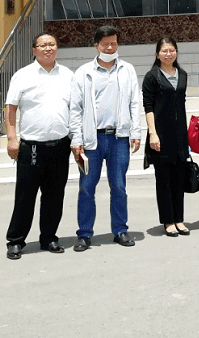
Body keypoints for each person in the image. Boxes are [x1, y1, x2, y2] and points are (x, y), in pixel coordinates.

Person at [69, 25, 143, 250]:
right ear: (96, 45)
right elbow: (76, 108)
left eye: (113, 42)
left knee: (119, 186)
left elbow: (134, 102)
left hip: (119, 138)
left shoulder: (127, 70)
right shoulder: (83, 72)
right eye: (105, 43)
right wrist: (76, 139)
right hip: (92, 140)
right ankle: (84, 234)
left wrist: (136, 132)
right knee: (86, 187)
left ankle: (120, 230)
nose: (110, 47)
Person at [4, 33, 73, 259]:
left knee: (54, 196)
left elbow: (76, 109)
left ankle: (49, 238)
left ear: (57, 48)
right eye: (42, 45)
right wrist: (12, 138)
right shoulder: (22, 76)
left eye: (51, 44)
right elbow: (11, 108)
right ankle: (16, 241)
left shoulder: (68, 75)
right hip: (31, 148)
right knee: (25, 196)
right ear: (34, 49)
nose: (47, 48)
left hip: (60, 146)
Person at [142, 37, 190, 237]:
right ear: (157, 54)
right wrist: (153, 133)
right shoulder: (152, 76)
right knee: (164, 180)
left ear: (176, 52)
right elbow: (148, 106)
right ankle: (168, 221)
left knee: (179, 178)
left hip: (180, 135)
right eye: (164, 51)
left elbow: (181, 103)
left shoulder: (183, 75)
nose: (168, 54)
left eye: (171, 50)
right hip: (160, 135)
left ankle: (179, 219)